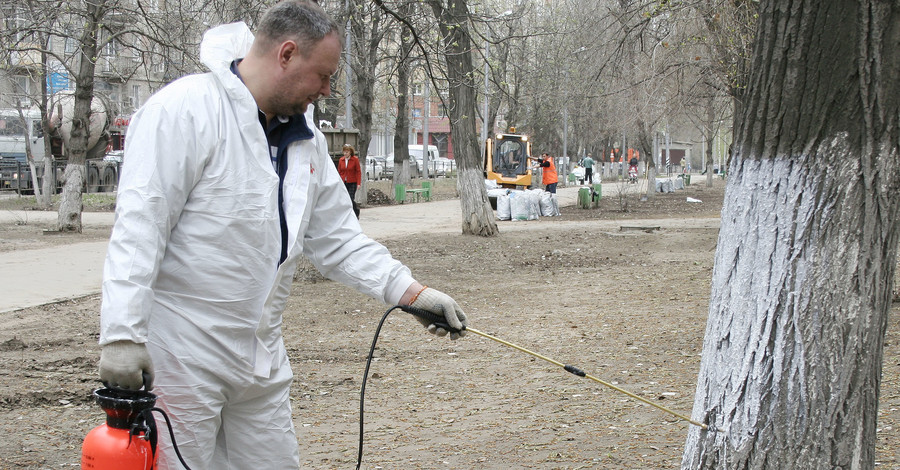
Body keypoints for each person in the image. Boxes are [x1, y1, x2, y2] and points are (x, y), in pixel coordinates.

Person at [96, 2, 467, 468]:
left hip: (261, 356)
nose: (328, 90)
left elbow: (338, 240)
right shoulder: (185, 110)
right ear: (286, 54)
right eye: (323, 76)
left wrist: (411, 293)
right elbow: (140, 228)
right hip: (181, 354)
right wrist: (122, 336)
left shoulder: (305, 139)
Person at [338, 143, 361, 217]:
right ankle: (347, 214)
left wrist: (358, 183)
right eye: (344, 152)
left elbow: (358, 171)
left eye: (347, 152)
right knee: (345, 199)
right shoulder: (341, 160)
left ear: (350, 152)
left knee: (350, 198)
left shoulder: (355, 160)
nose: (345, 153)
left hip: (352, 182)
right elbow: (339, 171)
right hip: (343, 182)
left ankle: (356, 211)